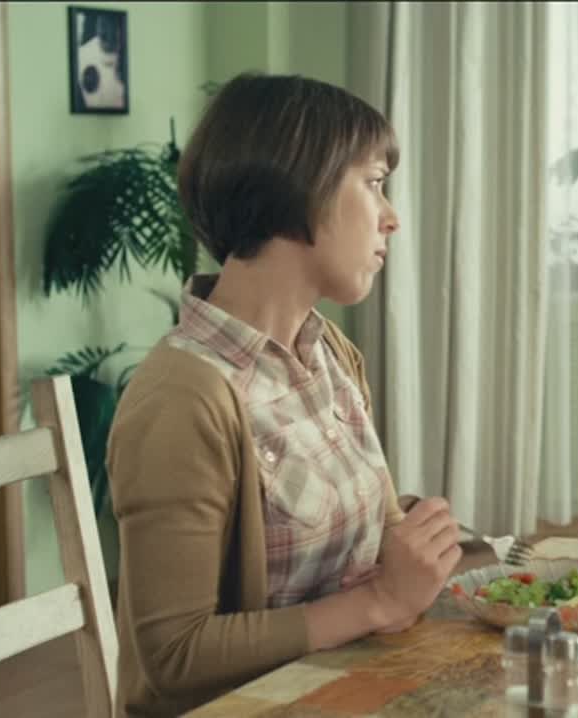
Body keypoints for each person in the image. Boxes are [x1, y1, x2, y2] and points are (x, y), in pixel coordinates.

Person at [106, 73, 461, 716]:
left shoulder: (329, 354)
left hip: (346, 689)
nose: (392, 217)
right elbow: (175, 657)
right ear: (301, 185)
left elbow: (379, 533)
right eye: (374, 183)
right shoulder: (182, 400)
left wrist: (412, 546)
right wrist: (379, 601)